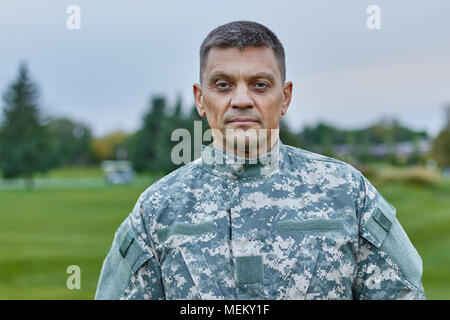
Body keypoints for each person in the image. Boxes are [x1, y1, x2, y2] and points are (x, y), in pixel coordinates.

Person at [95, 20, 425, 300]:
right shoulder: (157, 209)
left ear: (285, 97)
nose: (241, 100)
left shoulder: (348, 193)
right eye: (223, 85)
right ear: (200, 98)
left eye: (260, 85)